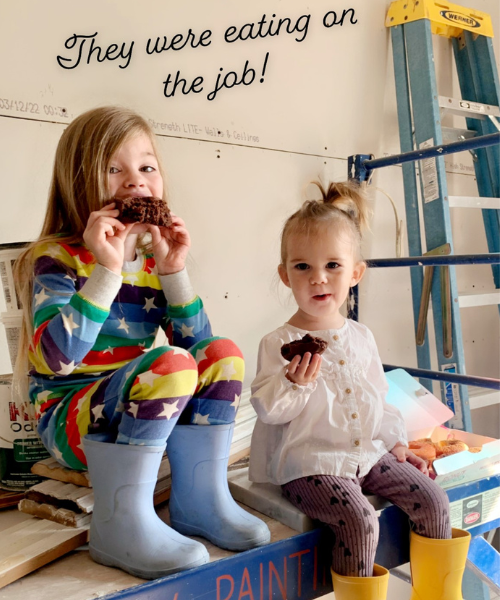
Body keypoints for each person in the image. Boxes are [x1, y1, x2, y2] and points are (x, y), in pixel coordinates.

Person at [13, 105, 270, 580]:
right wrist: (107, 269)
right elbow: (56, 358)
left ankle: (201, 500)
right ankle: (120, 523)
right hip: (71, 416)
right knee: (168, 364)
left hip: (132, 409)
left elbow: (201, 353)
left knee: (225, 354)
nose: (135, 181)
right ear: (78, 180)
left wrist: (175, 272)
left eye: (146, 167)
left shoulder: (153, 261)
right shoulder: (57, 258)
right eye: (115, 169)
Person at [248, 181, 470, 600]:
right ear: (285, 275)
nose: (318, 278)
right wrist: (294, 382)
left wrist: (397, 443)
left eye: (333, 265)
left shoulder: (361, 336)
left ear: (355, 273)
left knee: (434, 499)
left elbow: (377, 397)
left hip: (366, 452)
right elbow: (267, 410)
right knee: (361, 520)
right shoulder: (276, 341)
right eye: (302, 267)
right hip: (308, 464)